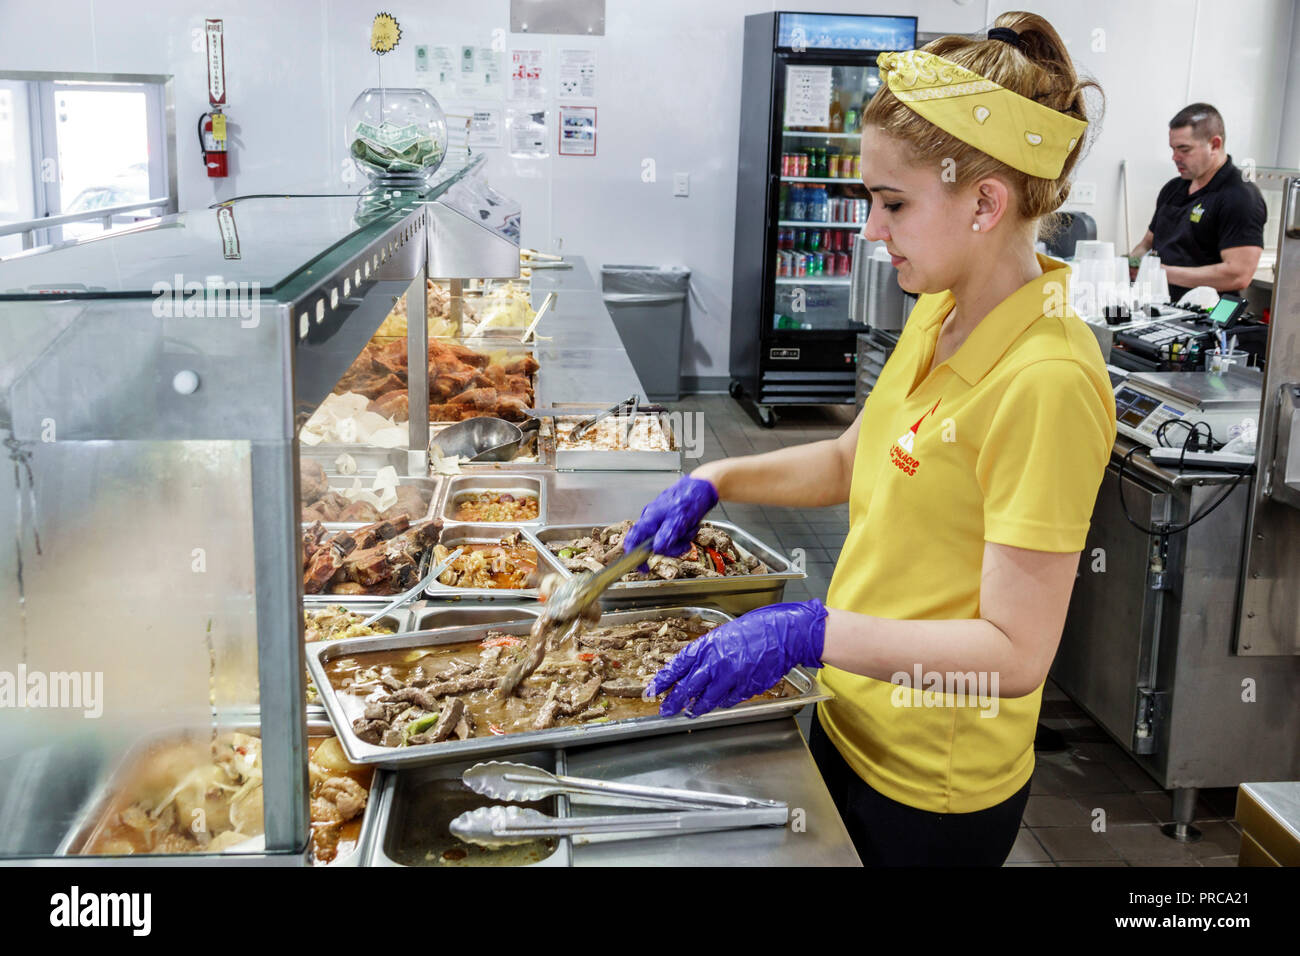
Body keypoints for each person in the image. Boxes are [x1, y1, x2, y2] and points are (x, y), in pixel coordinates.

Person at [622, 12, 1117, 867]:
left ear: (986, 202)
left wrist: (809, 633)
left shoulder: (1048, 383)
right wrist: (716, 476)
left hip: (932, 786)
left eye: (892, 204)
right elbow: (856, 462)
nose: (872, 231)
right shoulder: (940, 311)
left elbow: (1014, 653)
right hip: (851, 720)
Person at [1128, 103, 1267, 302]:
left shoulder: (1240, 197)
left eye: (1184, 149)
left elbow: (1237, 275)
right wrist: (1129, 264)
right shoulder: (1173, 189)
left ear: (1215, 144)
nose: (1175, 157)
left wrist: (1159, 273)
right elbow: (1146, 244)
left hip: (1206, 315)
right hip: (1159, 306)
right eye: (1173, 149)